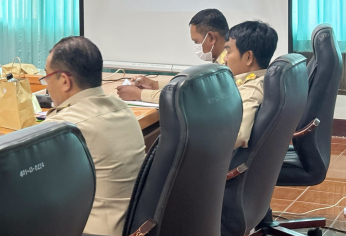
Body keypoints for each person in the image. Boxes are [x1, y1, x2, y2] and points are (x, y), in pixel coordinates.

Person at [0, 37, 146, 236]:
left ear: (64, 80)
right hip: (129, 223)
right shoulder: (122, 108)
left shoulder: (65, 128)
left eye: (47, 77)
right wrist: (4, 139)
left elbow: (4, 172)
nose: (46, 86)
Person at [117, 8, 229, 102]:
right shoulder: (220, 64)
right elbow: (190, 86)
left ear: (211, 38)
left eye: (196, 42)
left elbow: (188, 96)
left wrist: (139, 94)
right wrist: (154, 84)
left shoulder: (227, 66)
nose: (196, 46)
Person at [223, 21, 278, 149]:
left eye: (228, 52)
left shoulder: (251, 90)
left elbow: (238, 136)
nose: (225, 59)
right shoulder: (264, 79)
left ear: (248, 57)